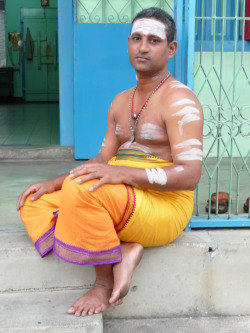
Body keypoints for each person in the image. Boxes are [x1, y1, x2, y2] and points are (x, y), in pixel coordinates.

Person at [16, 7, 203, 317]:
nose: (143, 47)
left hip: (165, 205)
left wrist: (121, 174)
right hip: (123, 194)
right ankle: (124, 248)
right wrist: (54, 182)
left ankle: (103, 283)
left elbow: (190, 175)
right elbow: (102, 159)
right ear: (128, 43)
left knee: (83, 192)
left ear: (171, 49)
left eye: (154, 40)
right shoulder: (120, 100)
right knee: (34, 202)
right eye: (137, 38)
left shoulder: (180, 100)